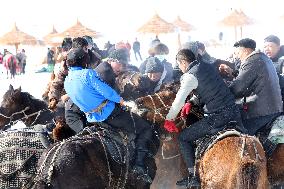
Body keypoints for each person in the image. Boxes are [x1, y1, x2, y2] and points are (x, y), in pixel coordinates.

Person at [64, 48, 154, 183]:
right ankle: (139, 165)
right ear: (84, 60)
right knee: (145, 128)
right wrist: (122, 101)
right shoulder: (87, 73)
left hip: (92, 119)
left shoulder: (67, 79)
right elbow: (105, 91)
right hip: (111, 115)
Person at [164, 49, 246, 188]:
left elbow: (178, 100)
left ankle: (192, 177)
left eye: (180, 65)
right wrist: (192, 102)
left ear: (183, 62)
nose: (181, 68)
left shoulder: (189, 76)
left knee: (183, 138)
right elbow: (210, 88)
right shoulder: (207, 66)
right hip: (234, 112)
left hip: (218, 117)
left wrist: (169, 118)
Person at [221, 38, 283, 136]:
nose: (236, 56)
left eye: (237, 52)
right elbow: (251, 79)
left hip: (262, 111)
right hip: (272, 107)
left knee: (235, 134)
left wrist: (219, 89)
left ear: (245, 50)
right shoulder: (262, 58)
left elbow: (237, 89)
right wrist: (232, 73)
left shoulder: (252, 61)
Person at [263, 35, 284, 108]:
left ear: (278, 47)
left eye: (270, 46)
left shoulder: (282, 60)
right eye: (265, 47)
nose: (267, 49)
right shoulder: (265, 60)